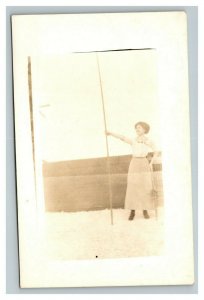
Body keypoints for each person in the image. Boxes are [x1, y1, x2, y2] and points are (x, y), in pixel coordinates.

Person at [106, 122, 157, 220]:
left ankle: (145, 210)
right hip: (134, 163)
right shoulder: (133, 140)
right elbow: (122, 137)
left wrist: (151, 163)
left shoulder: (149, 141)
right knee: (133, 186)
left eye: (139, 127)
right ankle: (132, 211)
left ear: (145, 129)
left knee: (145, 187)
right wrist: (111, 133)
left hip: (144, 163)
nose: (137, 129)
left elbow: (156, 151)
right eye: (136, 128)